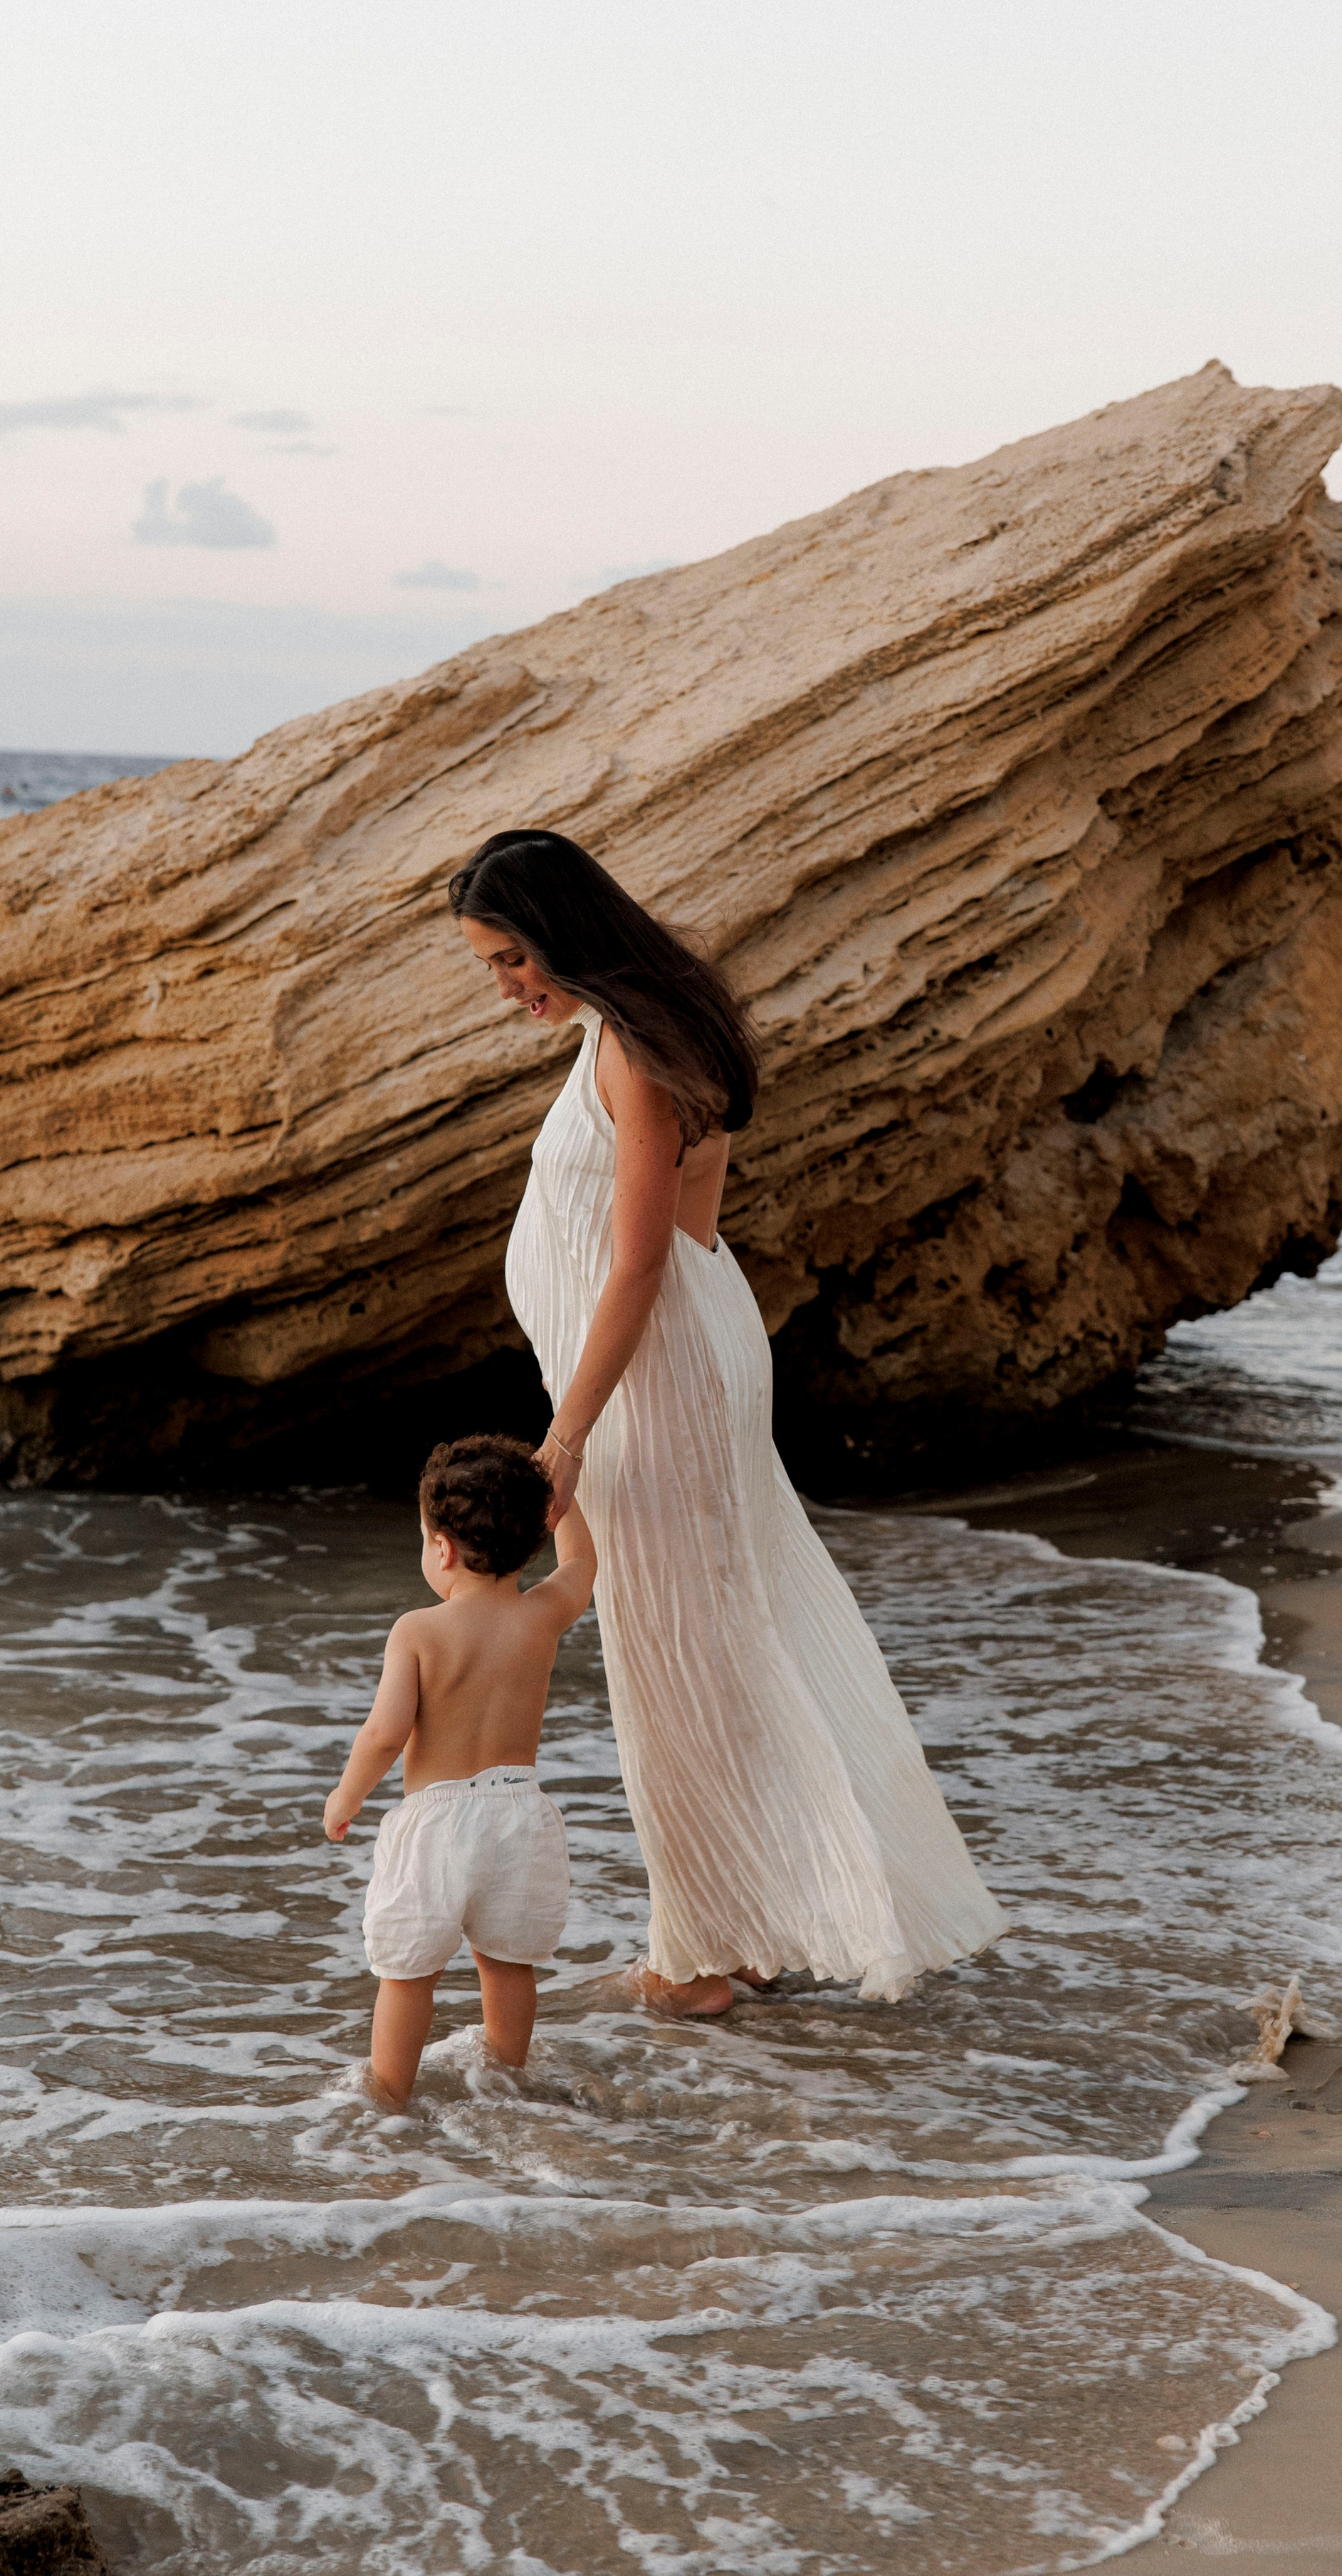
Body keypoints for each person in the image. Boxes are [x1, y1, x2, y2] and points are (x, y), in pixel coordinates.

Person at [449, 827, 1009, 2016]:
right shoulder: (633, 1028)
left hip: (660, 1378)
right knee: (711, 1647)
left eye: (508, 961)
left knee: (682, 1658)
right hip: (669, 1366)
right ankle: (733, 1931)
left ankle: (703, 1957)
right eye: (489, 967)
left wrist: (567, 1438)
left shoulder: (638, 1056)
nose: (502, 988)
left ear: (559, 933)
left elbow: (641, 1265)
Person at [323, 1433, 594, 2109]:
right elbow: (585, 1564)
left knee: (408, 1974)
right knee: (507, 1963)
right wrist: (567, 1503)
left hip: (437, 1824)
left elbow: (385, 1733)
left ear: (441, 1547)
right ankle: (507, 2077)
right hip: (519, 1818)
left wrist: (345, 1796)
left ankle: (387, 2098)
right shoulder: (542, 1617)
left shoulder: (417, 1631)